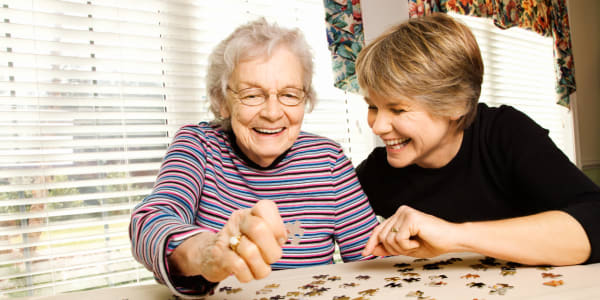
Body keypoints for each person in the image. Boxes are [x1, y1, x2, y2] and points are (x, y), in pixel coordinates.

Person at [129, 18, 378, 297]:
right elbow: (149, 222)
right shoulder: (198, 145)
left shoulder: (328, 160)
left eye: (289, 94)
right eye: (251, 95)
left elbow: (371, 259)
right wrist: (207, 252)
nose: (272, 113)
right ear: (221, 101)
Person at [354, 13, 600, 266]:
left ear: (456, 104)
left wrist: (454, 236)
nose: (378, 126)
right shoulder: (376, 171)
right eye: (373, 106)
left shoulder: (506, 133)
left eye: (398, 109)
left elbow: (595, 220)